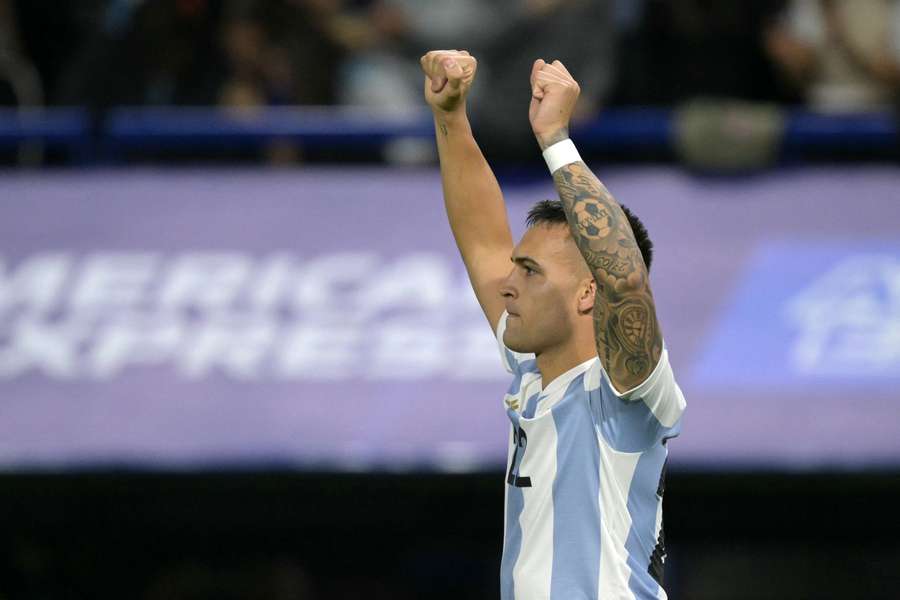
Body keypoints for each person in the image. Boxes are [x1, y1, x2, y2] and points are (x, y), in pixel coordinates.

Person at [420, 49, 686, 599]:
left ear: (589, 293)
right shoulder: (532, 365)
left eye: (531, 272)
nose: (507, 284)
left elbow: (627, 280)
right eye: (518, 267)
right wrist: (450, 115)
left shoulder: (624, 391)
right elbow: (483, 239)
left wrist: (555, 139)